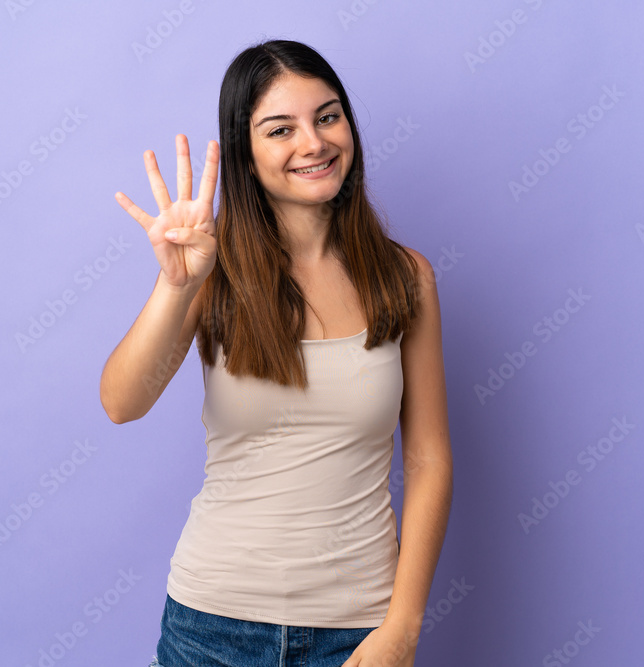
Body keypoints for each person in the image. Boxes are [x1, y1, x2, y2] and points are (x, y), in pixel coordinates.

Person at [100, 39, 452, 667]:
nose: (313, 143)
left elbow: (428, 458)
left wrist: (403, 626)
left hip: (358, 635)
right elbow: (122, 403)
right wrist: (175, 286)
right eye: (280, 129)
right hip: (212, 630)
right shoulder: (212, 272)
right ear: (246, 152)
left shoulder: (405, 277)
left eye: (327, 116)